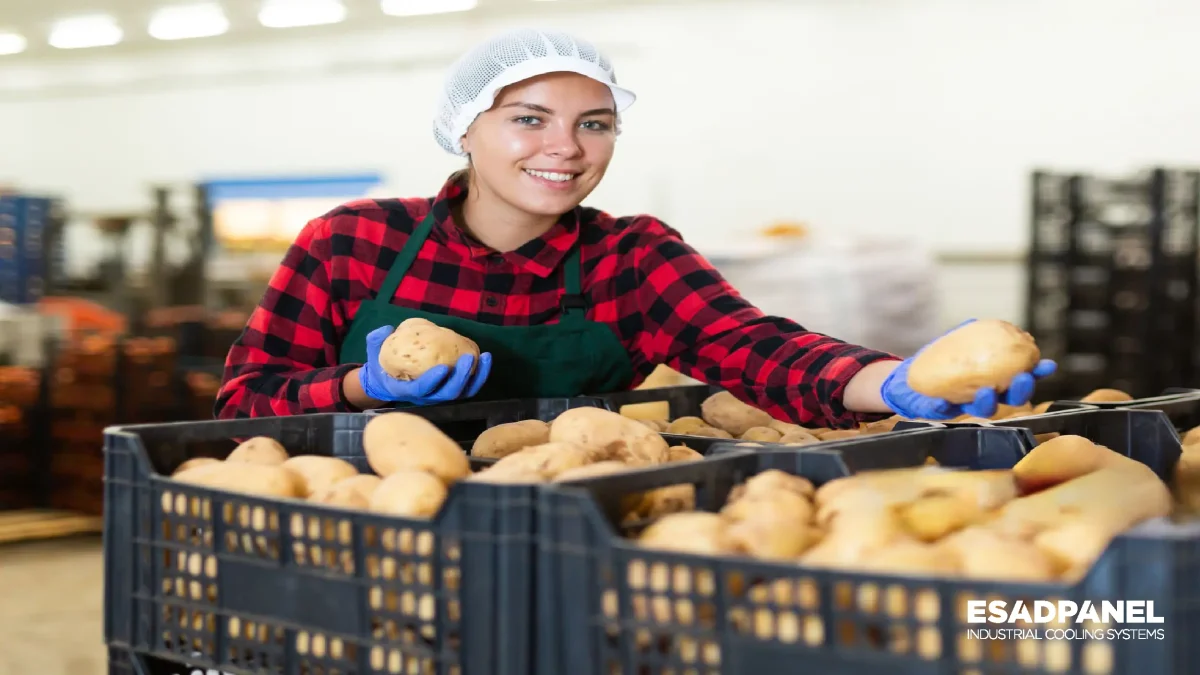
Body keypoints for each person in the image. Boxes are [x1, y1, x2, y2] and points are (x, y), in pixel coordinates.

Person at [215, 28, 1054, 423]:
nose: (565, 148)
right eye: (529, 119)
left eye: (595, 124)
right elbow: (242, 400)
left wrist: (893, 382)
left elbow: (754, 347)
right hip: (356, 529)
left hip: (565, 535)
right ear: (463, 130)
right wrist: (360, 388)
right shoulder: (352, 242)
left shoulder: (632, 257)